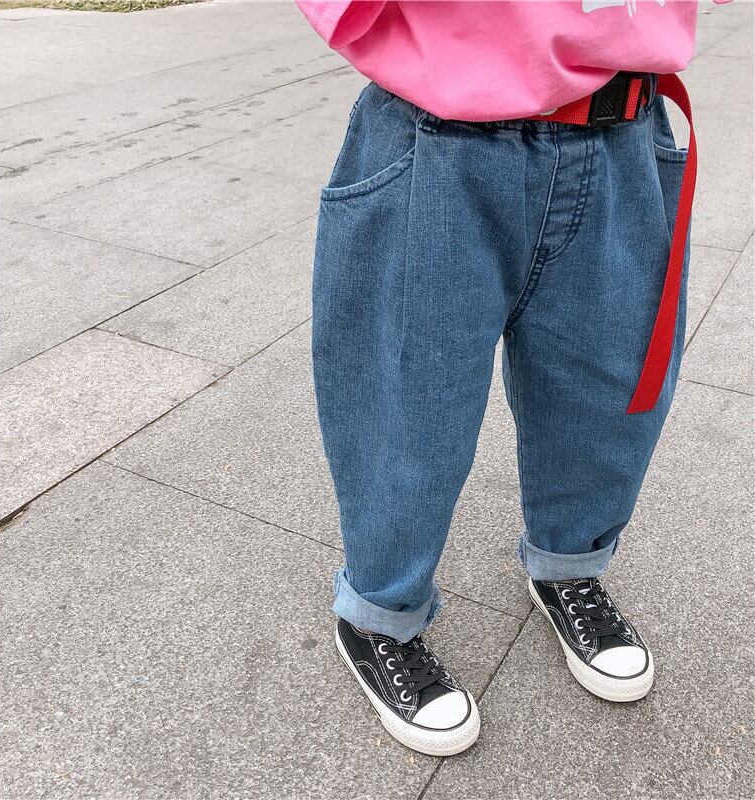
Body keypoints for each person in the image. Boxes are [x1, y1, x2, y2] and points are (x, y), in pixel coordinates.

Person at [296, 0, 727, 756]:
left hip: (622, 131)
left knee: (608, 389)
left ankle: (569, 565)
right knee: (407, 402)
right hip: (439, 140)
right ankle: (379, 615)